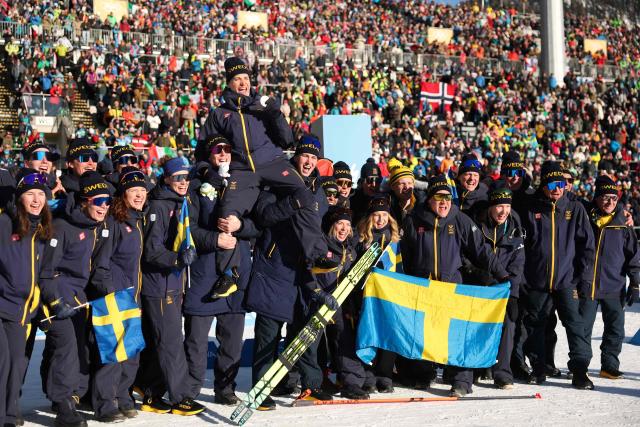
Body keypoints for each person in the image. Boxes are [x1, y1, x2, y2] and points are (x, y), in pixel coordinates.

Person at [199, 58, 332, 291]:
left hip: (272, 162)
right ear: (229, 83)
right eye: (237, 79)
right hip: (242, 170)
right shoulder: (219, 114)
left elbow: (287, 140)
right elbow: (202, 150)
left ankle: (317, 256)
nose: (243, 83)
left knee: (303, 192)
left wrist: (276, 113)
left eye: (246, 79)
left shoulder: (261, 107)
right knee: (226, 214)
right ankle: (230, 274)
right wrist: (207, 171)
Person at [244, 140, 333, 411]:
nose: (307, 161)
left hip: (304, 272)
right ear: (296, 158)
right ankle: (260, 389)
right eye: (304, 155)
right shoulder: (278, 183)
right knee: (268, 334)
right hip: (275, 269)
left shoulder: (318, 191)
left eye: (312, 157)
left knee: (305, 331)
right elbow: (264, 215)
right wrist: (294, 202)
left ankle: (312, 384)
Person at [401, 175, 510, 397]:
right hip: (425, 289)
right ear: (430, 199)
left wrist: (502, 275)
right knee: (425, 335)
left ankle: (462, 380)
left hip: (452, 290)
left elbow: (481, 251)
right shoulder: (414, 220)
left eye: (448, 198)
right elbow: (406, 256)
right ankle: (423, 374)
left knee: (457, 337)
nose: (444, 202)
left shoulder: (460, 220)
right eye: (439, 197)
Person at [183, 136, 258, 406]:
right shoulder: (193, 185)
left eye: (228, 149)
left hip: (236, 272)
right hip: (204, 273)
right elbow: (187, 229)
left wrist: (241, 226)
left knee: (232, 341)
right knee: (196, 341)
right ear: (209, 154)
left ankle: (225, 390)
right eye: (218, 150)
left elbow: (258, 222)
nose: (224, 154)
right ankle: (189, 392)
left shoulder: (246, 182)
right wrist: (213, 239)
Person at [137, 157, 213, 416]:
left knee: (163, 340)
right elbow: (151, 251)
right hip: (159, 285)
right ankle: (180, 396)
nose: (183, 182)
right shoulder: (159, 206)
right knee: (170, 341)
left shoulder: (177, 202)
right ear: (167, 178)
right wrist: (177, 258)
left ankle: (150, 389)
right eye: (178, 177)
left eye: (186, 177)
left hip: (172, 282)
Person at [39, 171, 113, 427]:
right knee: (66, 348)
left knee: (76, 348)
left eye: (108, 201)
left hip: (80, 298)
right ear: (85, 201)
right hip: (58, 298)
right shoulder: (62, 227)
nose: (105, 206)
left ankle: (69, 397)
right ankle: (62, 406)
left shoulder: (98, 227)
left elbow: (96, 270)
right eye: (99, 201)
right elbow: (46, 271)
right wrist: (55, 301)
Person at [520, 161, 596, 390]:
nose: (557, 188)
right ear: (543, 185)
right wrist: (524, 279)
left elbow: (587, 247)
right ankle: (539, 367)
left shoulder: (575, 209)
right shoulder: (531, 210)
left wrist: (584, 278)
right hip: (537, 281)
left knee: (575, 325)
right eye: (552, 183)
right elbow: (522, 247)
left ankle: (580, 371)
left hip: (567, 281)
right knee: (536, 325)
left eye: (561, 183)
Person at [87, 167, 148, 422]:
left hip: (133, 296)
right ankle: (104, 404)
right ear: (123, 194)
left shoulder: (137, 220)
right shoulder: (113, 222)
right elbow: (101, 265)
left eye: (143, 191)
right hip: (114, 297)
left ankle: (123, 396)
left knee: (131, 352)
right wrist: (113, 293)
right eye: (134, 191)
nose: (139, 195)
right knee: (112, 354)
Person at [0, 169, 52, 427]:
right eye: (30, 194)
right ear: (19, 198)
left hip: (22, 311)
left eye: (40, 194)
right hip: (2, 306)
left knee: (17, 365)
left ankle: (9, 415)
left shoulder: (41, 229)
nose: (36, 200)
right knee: (3, 363)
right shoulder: (4, 224)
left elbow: (40, 275)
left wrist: (44, 306)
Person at [579, 176, 640, 379]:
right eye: (605, 197)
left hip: (614, 285)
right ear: (596, 198)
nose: (610, 202)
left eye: (614, 198)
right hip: (587, 284)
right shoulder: (585, 216)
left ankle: (609, 365)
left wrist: (635, 282)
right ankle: (580, 365)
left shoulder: (623, 223)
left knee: (615, 328)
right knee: (583, 328)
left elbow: (633, 255)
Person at [469, 187, 525, 389]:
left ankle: (502, 373)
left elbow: (517, 267)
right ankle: (474, 368)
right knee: (475, 327)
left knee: (508, 325)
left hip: (503, 290)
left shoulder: (515, 230)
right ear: (491, 206)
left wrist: (513, 295)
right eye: (499, 206)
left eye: (507, 206)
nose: (503, 211)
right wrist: (480, 275)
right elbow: (467, 257)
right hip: (479, 286)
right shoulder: (476, 227)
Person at [349, 197, 401, 395]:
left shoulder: (395, 239)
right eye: (376, 215)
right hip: (366, 295)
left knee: (388, 333)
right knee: (368, 332)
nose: (380, 219)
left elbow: (401, 266)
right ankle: (368, 375)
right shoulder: (360, 237)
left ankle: (385, 375)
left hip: (390, 295)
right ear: (370, 217)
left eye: (384, 215)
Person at [384, 158, 427, 225]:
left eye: (409, 183)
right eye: (402, 184)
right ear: (392, 186)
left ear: (414, 185)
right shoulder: (386, 205)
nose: (406, 187)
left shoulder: (423, 203)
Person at [350, 158, 383, 224]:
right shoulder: (352, 200)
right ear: (362, 182)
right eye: (369, 180)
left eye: (377, 180)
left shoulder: (385, 200)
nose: (374, 184)